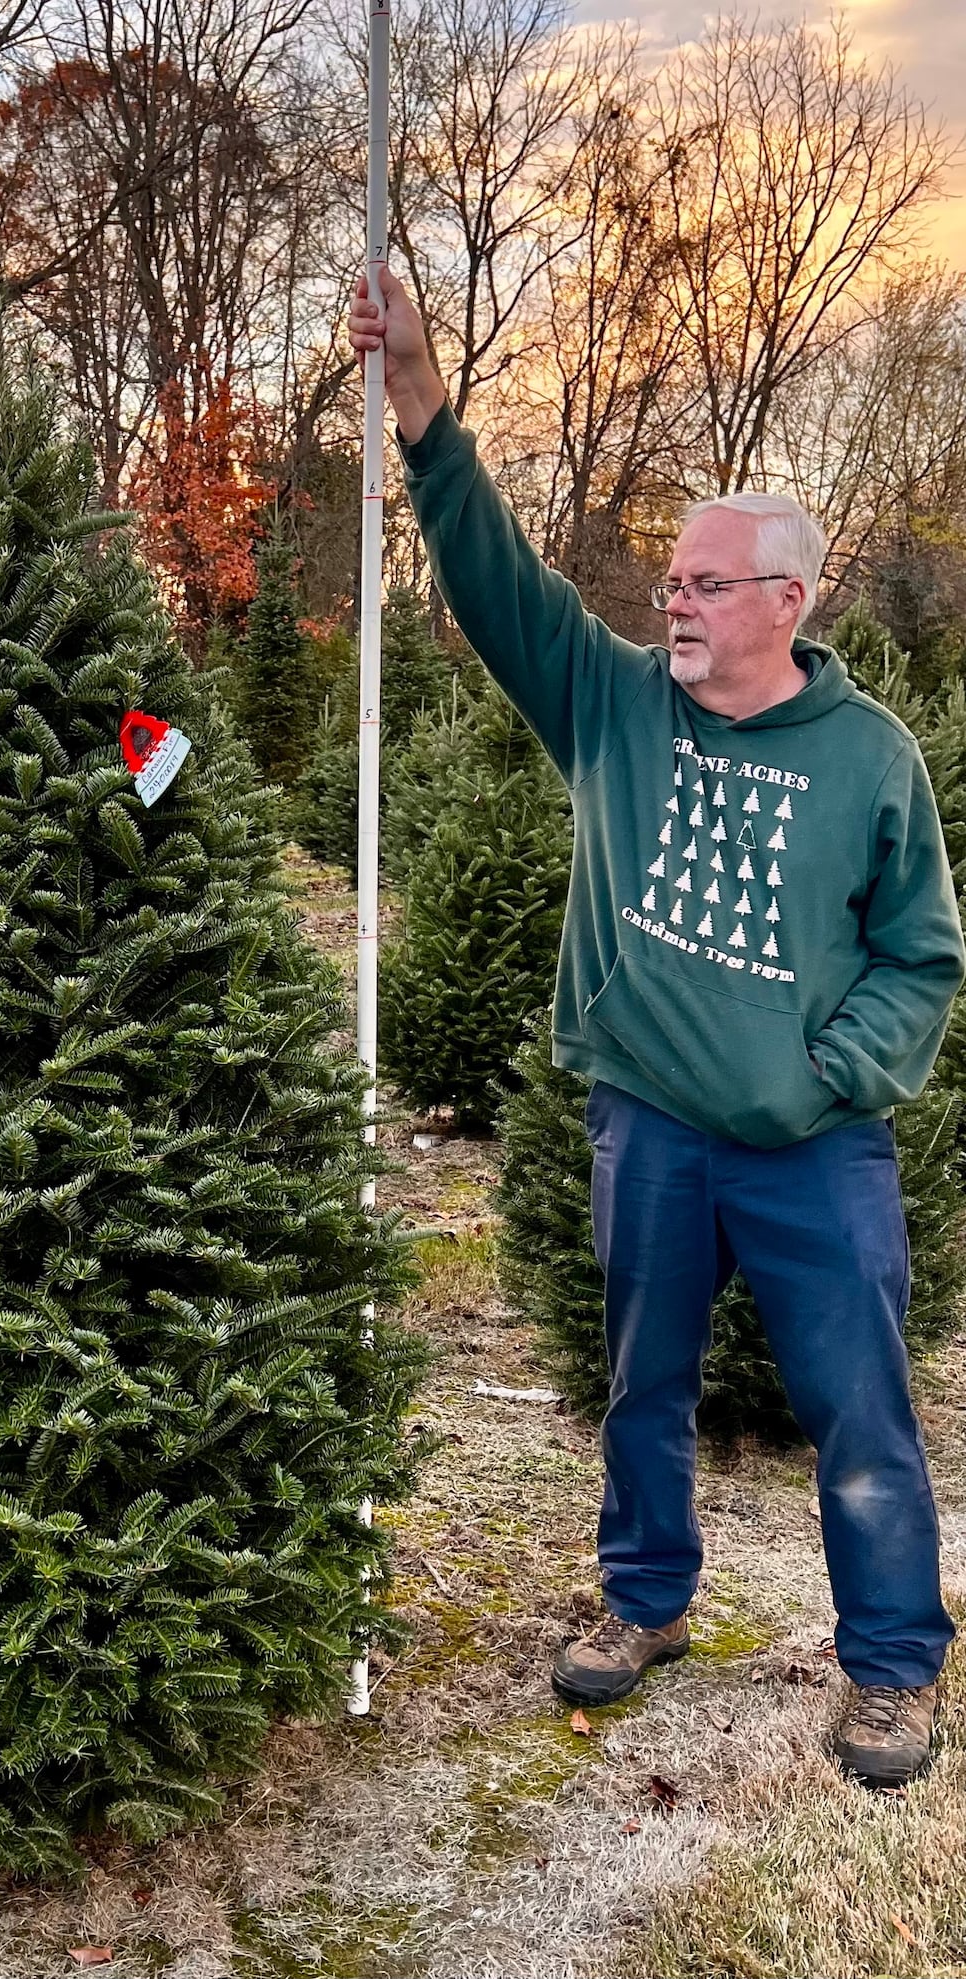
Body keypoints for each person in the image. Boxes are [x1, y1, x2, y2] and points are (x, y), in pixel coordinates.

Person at [348, 267, 965, 1789]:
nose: (670, 602)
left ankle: (891, 1668)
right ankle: (644, 1601)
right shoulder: (618, 706)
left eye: (703, 584)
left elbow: (923, 957)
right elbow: (496, 577)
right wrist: (419, 394)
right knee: (642, 1382)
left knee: (861, 1412)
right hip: (651, 1131)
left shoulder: (872, 761)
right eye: (670, 581)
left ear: (786, 604)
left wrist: (831, 1074)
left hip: (814, 1153)